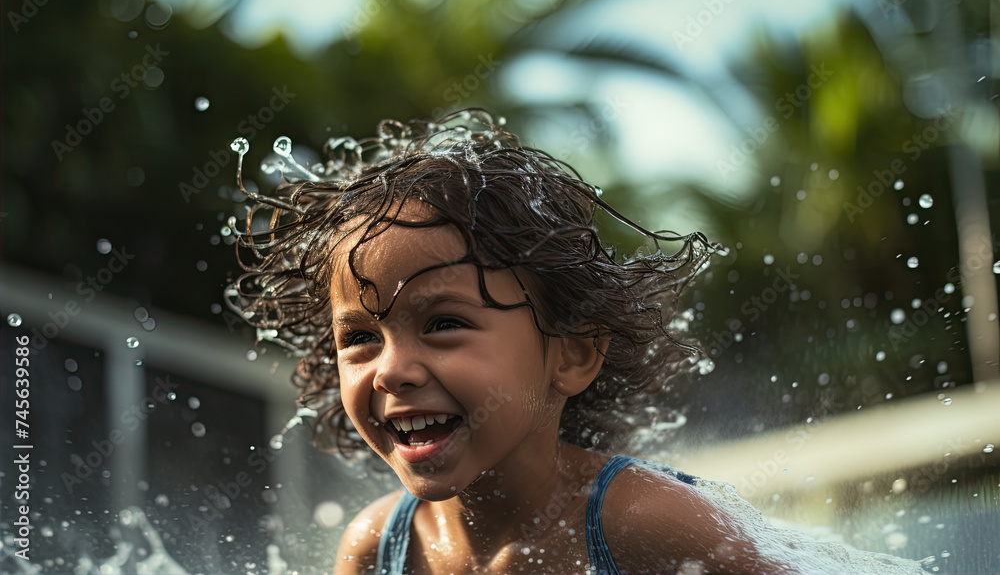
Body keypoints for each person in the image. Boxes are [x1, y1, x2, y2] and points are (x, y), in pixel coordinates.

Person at [228, 109, 926, 574]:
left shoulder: (645, 526)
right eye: (360, 337)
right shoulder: (380, 549)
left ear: (573, 354)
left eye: (442, 324)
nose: (393, 370)